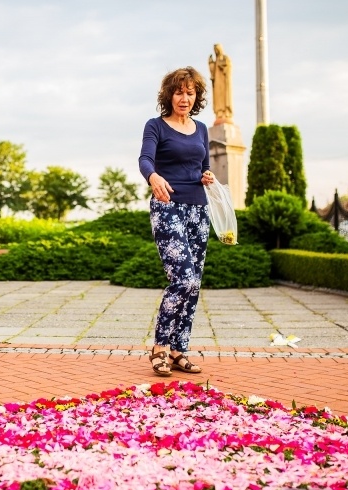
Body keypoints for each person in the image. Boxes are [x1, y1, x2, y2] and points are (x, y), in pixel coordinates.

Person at [138, 67, 215, 377]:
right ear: (169, 94)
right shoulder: (156, 126)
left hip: (198, 209)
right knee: (181, 278)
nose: (184, 98)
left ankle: (179, 349)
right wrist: (153, 175)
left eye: (190, 92)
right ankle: (159, 346)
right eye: (179, 92)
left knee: (194, 284)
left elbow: (204, 166)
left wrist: (206, 176)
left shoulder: (201, 129)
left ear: (196, 97)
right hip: (167, 206)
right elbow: (145, 159)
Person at [208, 43, 233, 123]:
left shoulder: (225, 58)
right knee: (218, 96)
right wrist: (211, 64)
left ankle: (226, 113)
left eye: (217, 50)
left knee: (224, 96)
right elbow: (213, 74)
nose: (216, 52)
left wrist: (222, 66)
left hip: (224, 82)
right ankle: (219, 112)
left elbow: (228, 67)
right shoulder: (215, 62)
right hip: (217, 83)